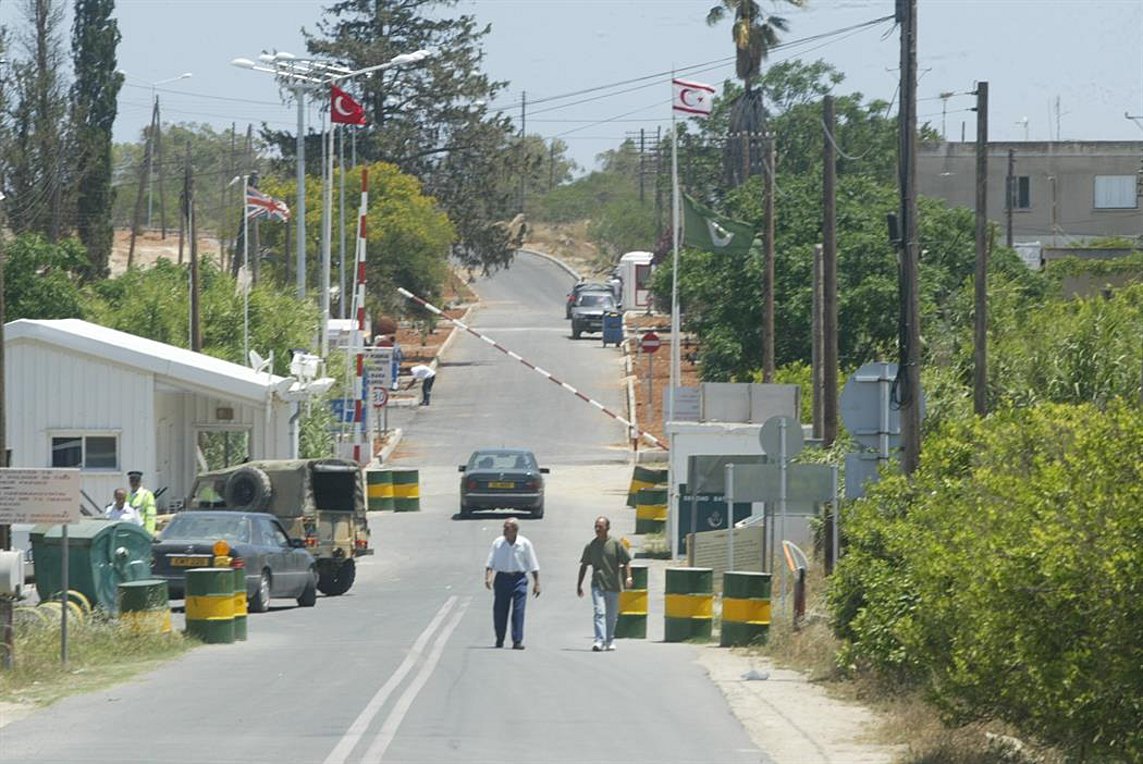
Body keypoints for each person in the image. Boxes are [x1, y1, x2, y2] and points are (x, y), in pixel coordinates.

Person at [577, 515, 633, 652]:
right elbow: (584, 565)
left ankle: (610, 640)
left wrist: (628, 578)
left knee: (612, 615)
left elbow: (626, 561)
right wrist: (579, 584)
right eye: (596, 526)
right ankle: (599, 640)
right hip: (597, 584)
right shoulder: (591, 545)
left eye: (600, 527)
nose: (597, 529)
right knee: (599, 612)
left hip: (613, 584)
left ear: (607, 528)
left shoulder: (615, 544)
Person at [484, 517, 541, 650]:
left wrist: (537, 583)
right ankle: (499, 638)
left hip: (519, 579)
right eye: (504, 527)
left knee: (518, 611)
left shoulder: (525, 544)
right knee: (499, 611)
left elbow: (533, 565)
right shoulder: (498, 543)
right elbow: (490, 562)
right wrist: (488, 577)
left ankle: (517, 640)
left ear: (515, 530)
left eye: (507, 528)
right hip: (502, 579)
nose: (504, 530)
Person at [127, 470, 157, 534]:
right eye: (132, 481)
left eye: (136, 481)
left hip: (141, 530)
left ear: (140, 481)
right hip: (130, 530)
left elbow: (151, 515)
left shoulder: (147, 495)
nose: (134, 483)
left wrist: (149, 533)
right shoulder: (127, 496)